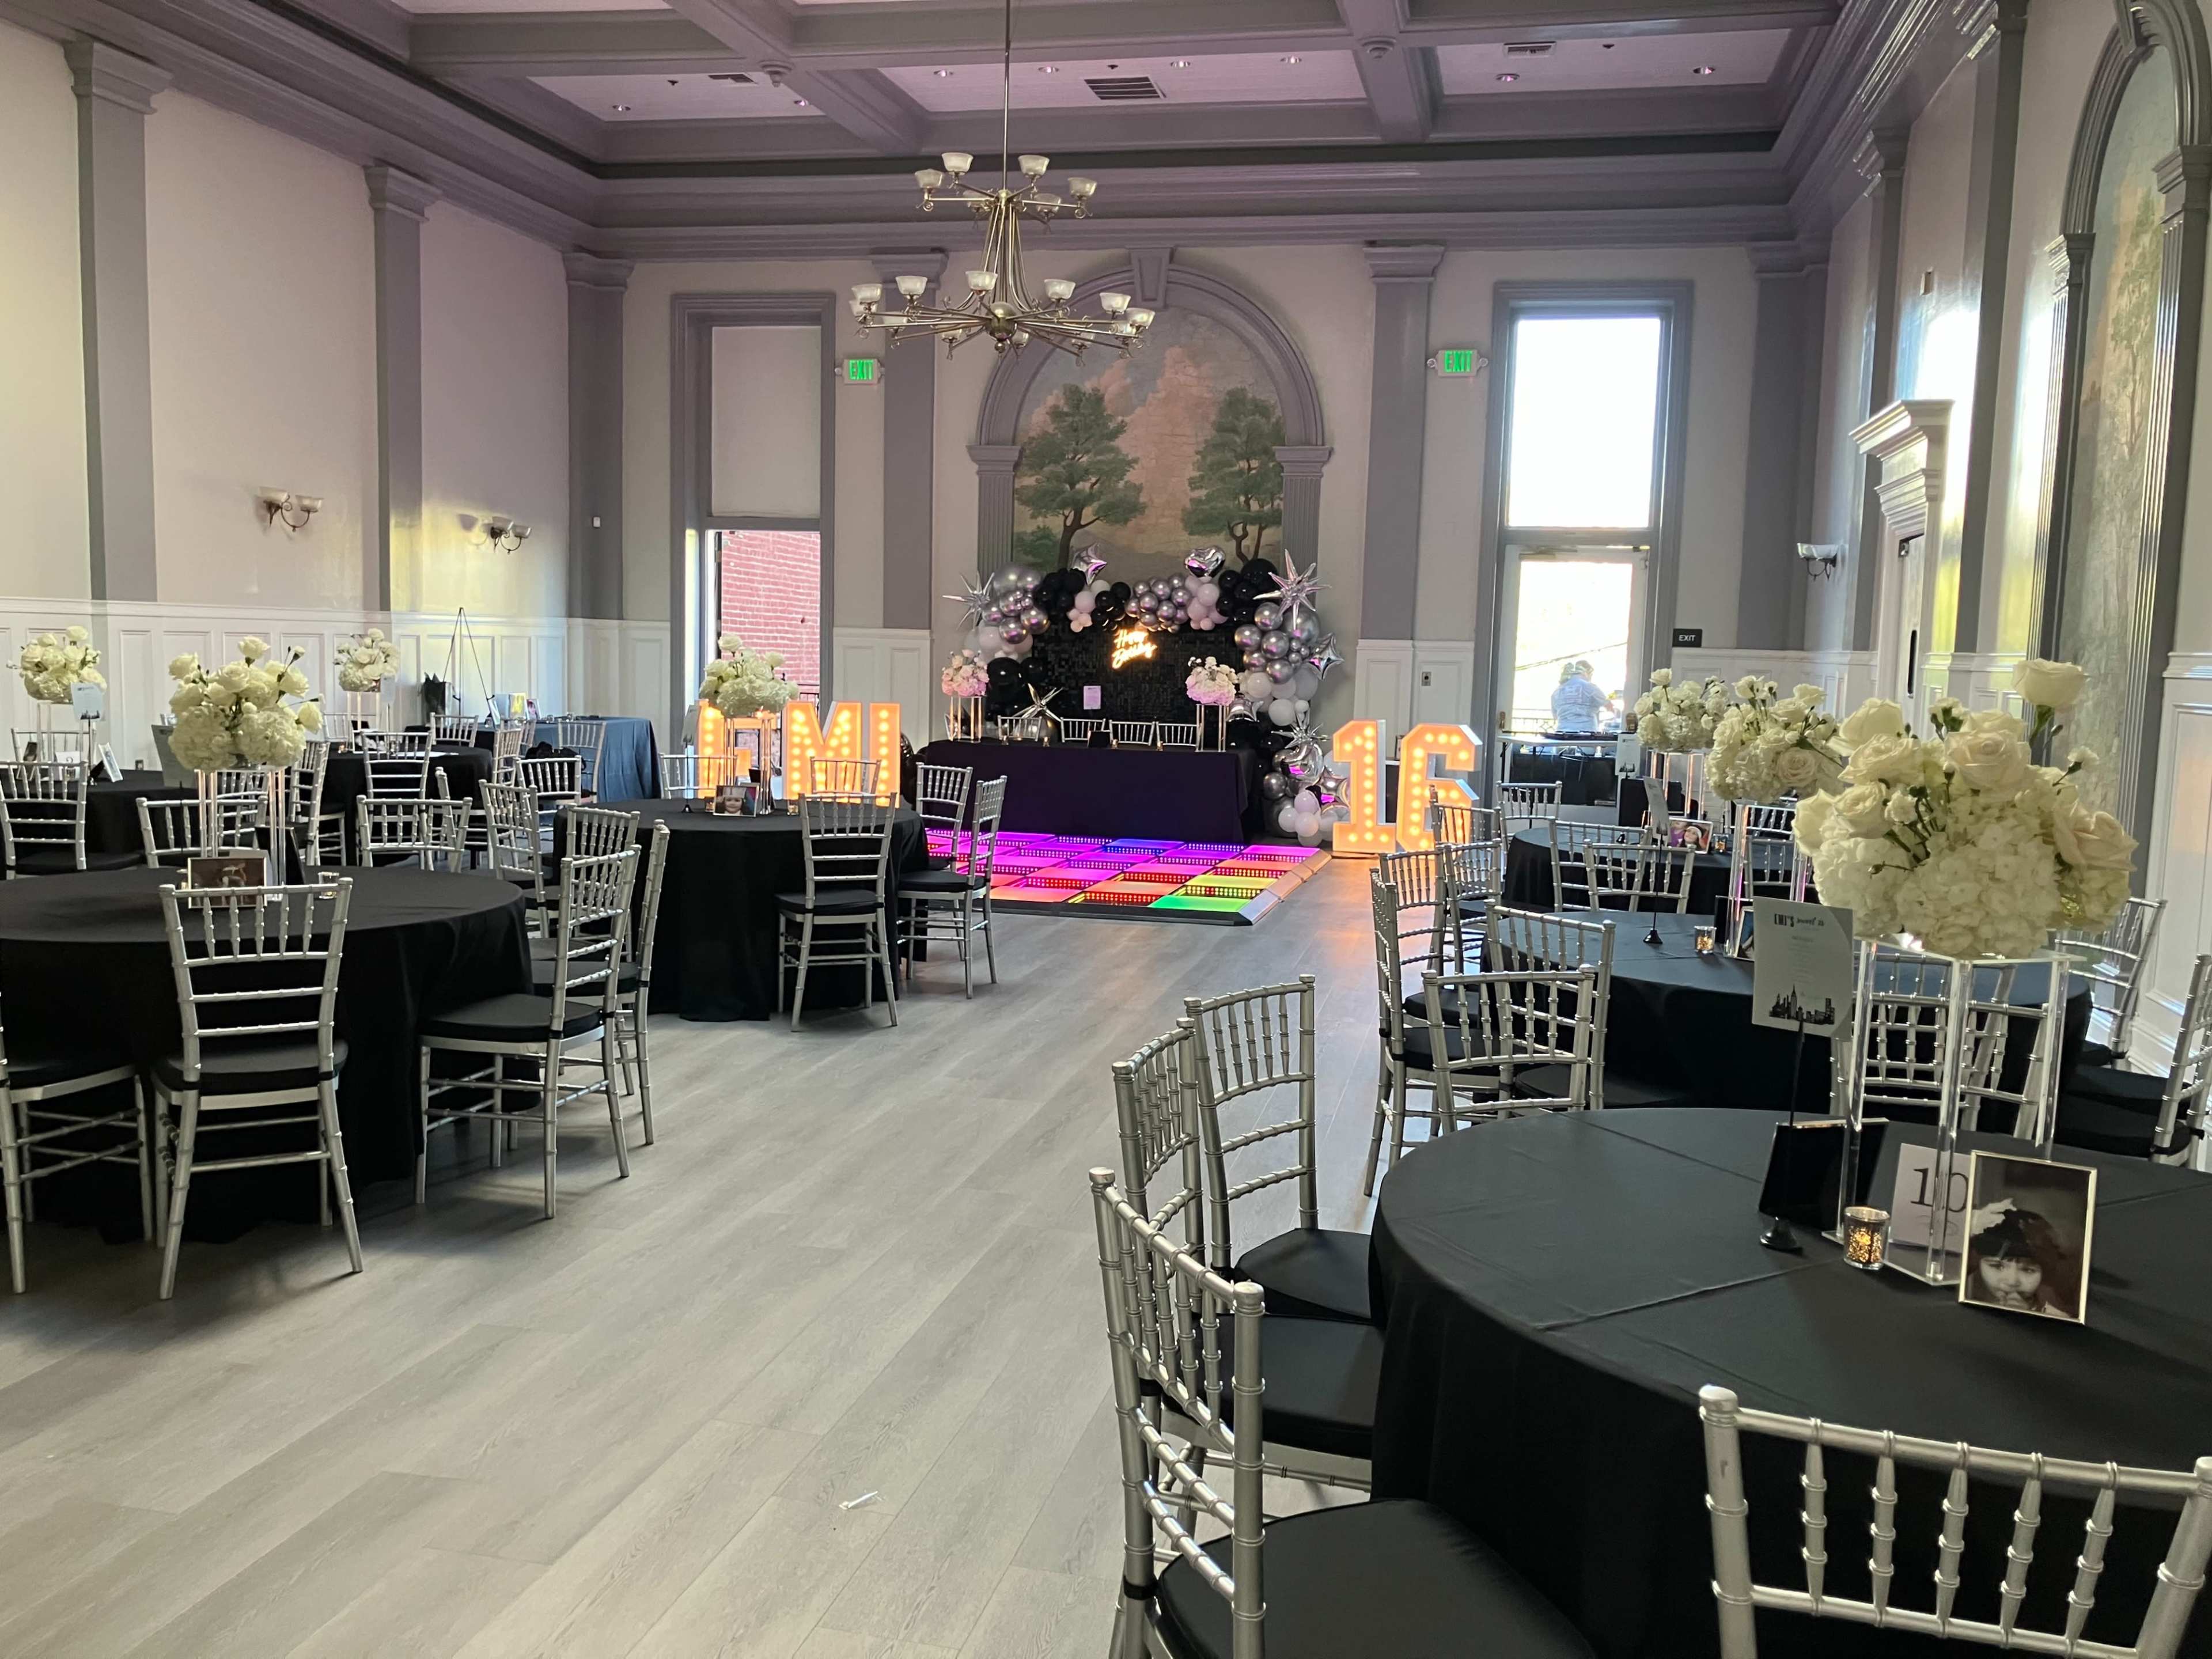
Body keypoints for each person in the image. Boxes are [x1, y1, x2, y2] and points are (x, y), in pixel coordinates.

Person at [1964, 1201, 2078, 1319]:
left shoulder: (2056, 1318)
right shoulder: (1967, 1302)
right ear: (1977, 1262)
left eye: (2028, 1270)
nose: (2012, 1281)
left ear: (2044, 1272)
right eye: (1997, 1266)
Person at [1550, 660, 1613, 733]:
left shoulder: (1557, 691)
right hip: (1586, 733)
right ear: (1588, 673)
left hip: (1562, 732)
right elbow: (1608, 705)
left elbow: (1555, 716)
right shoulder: (1590, 687)